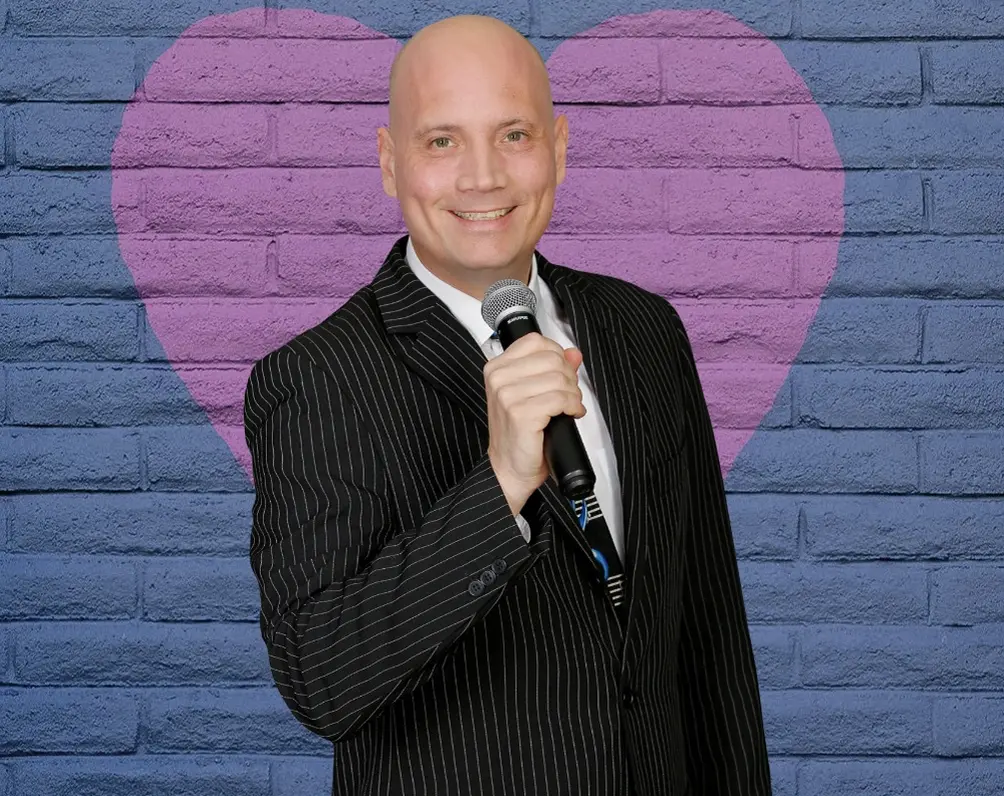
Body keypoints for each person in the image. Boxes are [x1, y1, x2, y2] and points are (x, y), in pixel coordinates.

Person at [244, 13, 771, 796]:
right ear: (389, 162)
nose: (483, 177)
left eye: (514, 135)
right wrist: (499, 487)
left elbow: (711, 641)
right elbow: (321, 678)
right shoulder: (316, 378)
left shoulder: (645, 331)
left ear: (558, 147)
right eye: (442, 141)